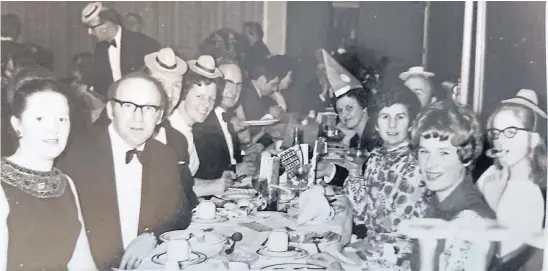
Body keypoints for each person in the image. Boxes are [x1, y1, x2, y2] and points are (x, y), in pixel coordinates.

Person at [57, 72, 190, 270]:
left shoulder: (165, 156)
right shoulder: (74, 156)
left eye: (149, 108)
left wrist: (151, 236)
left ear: (159, 116)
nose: (139, 117)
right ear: (111, 110)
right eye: (128, 106)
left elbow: (180, 212)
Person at [1, 79, 97, 270]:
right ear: (16, 124)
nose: (54, 129)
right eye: (40, 119)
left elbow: (83, 264)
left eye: (62, 119)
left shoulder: (65, 183)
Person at [409, 99, 497, 271]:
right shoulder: (439, 202)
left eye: (443, 153)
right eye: (424, 151)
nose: (430, 164)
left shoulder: (471, 223)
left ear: (467, 156)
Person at [477, 89, 546, 268]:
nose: (500, 141)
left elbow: (509, 259)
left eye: (511, 132)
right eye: (496, 133)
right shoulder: (489, 176)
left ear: (532, 140)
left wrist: (491, 207)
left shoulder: (538, 192)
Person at [169, 55, 234, 197]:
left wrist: (217, 182)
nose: (207, 104)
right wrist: (209, 188)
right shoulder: (171, 131)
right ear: (184, 94)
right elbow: (166, 191)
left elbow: (184, 181)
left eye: (212, 98)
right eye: (200, 96)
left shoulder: (187, 128)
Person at [81, 2, 160, 97]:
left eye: (91, 28)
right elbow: (101, 83)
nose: (90, 32)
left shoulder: (144, 44)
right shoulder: (100, 48)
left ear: (105, 27)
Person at [193, 63, 257, 180]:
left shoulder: (227, 118)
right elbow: (201, 170)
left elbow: (225, 159)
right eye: (228, 83)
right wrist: (235, 169)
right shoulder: (203, 119)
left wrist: (244, 159)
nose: (233, 91)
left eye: (238, 85)